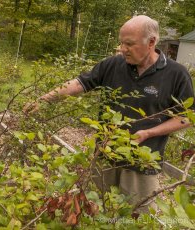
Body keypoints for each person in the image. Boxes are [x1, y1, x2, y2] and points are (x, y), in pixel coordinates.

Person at [24, 15, 194, 213]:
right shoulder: (113, 64)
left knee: (135, 217)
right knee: (95, 211)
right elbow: (80, 83)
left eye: (129, 44)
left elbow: (187, 117)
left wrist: (148, 133)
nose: (123, 49)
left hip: (142, 165)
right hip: (105, 155)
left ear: (151, 42)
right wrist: (44, 99)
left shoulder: (176, 74)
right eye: (122, 42)